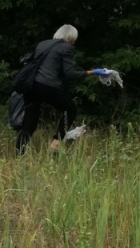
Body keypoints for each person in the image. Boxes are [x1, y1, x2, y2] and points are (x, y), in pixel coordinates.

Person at [16, 24, 110, 155]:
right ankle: (56, 144)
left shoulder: (43, 44)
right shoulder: (67, 48)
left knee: (30, 120)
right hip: (47, 85)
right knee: (70, 109)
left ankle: (19, 153)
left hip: (31, 86)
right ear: (71, 37)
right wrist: (93, 72)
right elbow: (69, 74)